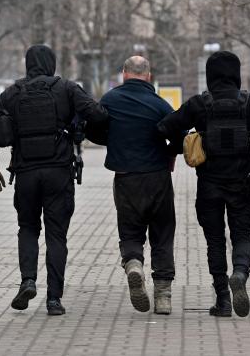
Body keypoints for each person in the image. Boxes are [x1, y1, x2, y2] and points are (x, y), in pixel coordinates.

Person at [157, 51, 250, 318]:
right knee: (242, 237)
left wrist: (183, 143)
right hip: (242, 184)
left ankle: (223, 300)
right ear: (236, 73)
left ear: (211, 75)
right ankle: (240, 273)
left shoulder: (200, 104)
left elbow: (165, 127)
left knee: (214, 241)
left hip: (209, 185)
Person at [0, 45, 108, 316]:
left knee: (27, 228)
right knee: (56, 235)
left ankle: (28, 280)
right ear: (52, 63)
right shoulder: (67, 88)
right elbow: (97, 115)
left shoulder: (12, 93)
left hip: (25, 173)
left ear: (27, 64)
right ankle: (54, 299)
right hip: (58, 173)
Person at [86, 56, 182, 315]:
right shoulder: (160, 104)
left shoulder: (109, 100)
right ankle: (163, 296)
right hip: (158, 178)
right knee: (162, 233)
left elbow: (92, 129)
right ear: (148, 76)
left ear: (124, 74)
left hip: (126, 177)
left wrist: (113, 139)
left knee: (130, 231)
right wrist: (169, 151)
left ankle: (134, 264)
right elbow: (179, 135)